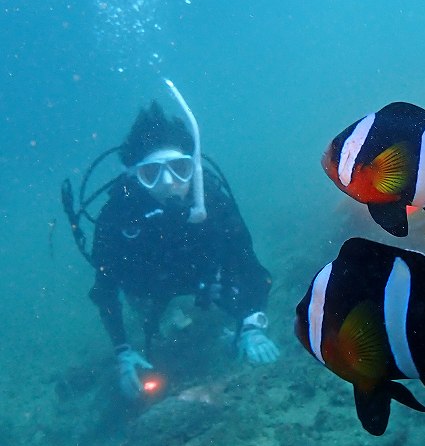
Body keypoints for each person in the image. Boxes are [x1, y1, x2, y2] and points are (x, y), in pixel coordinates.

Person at [80, 101, 278, 399]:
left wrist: (252, 324)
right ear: (134, 176)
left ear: (194, 166)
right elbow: (105, 290)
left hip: (204, 279)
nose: (169, 183)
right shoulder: (116, 216)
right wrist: (122, 351)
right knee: (151, 311)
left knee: (229, 297)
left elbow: (249, 266)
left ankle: (221, 325)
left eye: (180, 168)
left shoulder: (213, 202)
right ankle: (168, 312)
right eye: (151, 173)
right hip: (147, 287)